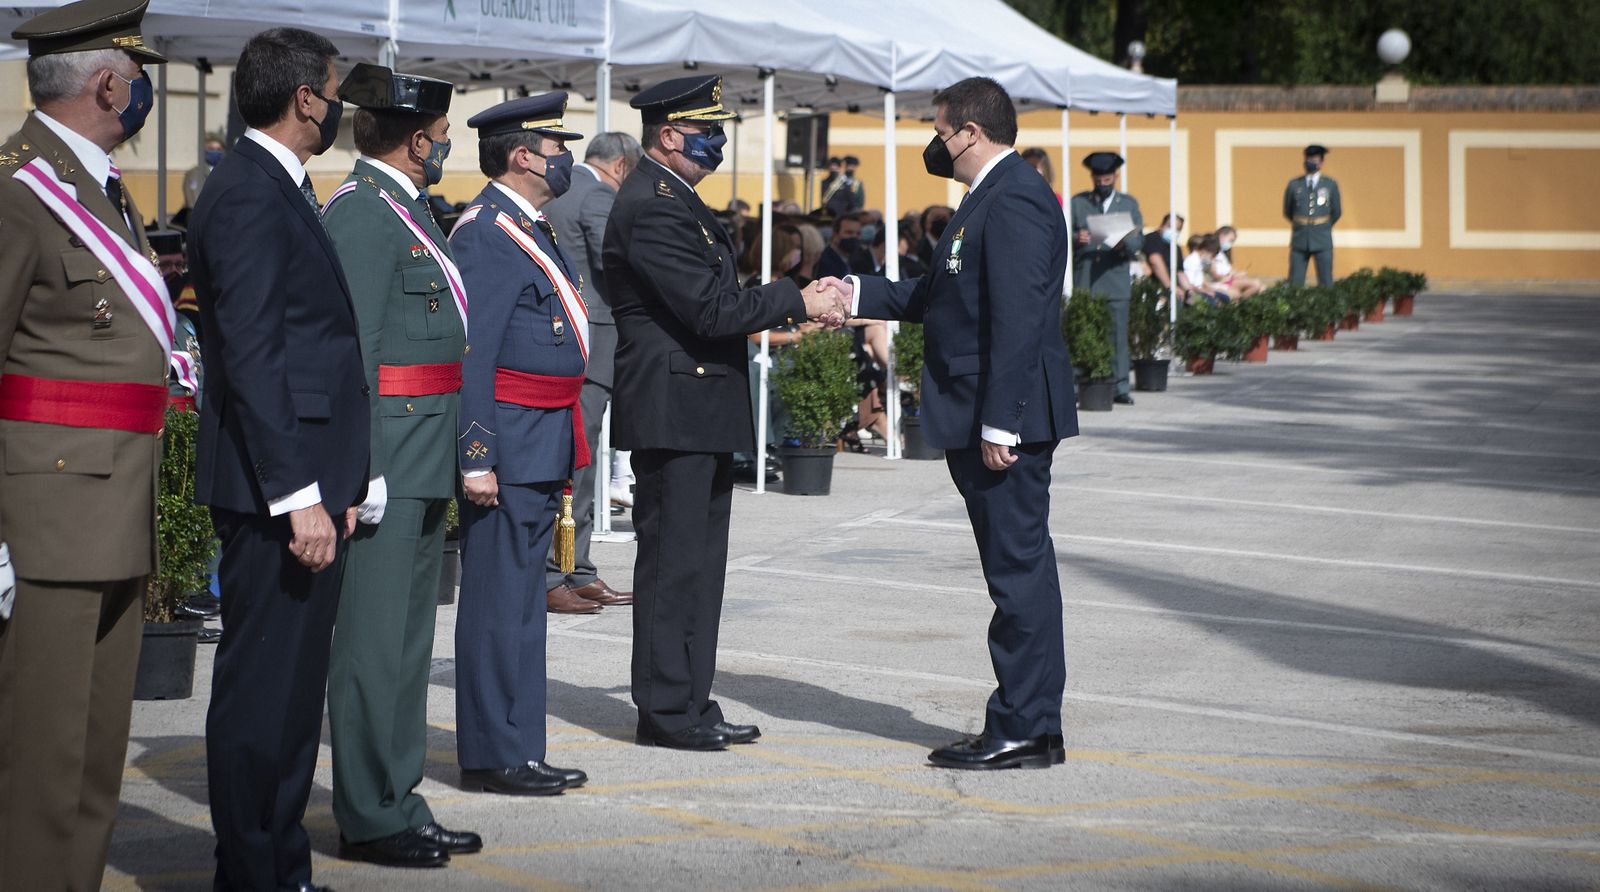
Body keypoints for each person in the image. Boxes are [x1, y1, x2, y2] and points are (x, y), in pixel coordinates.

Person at [836, 76, 1075, 770]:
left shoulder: (1017, 200)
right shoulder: (988, 198)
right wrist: (854, 291)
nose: (936, 146)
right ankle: (1034, 722)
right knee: (1017, 570)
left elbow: (1022, 318)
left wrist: (1003, 422)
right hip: (985, 414)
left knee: (1017, 574)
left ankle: (1025, 726)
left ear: (969, 132)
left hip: (1002, 421)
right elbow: (941, 297)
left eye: (940, 133)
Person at [605, 74, 847, 752]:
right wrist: (798, 298)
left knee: (702, 569)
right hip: (673, 406)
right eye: (705, 132)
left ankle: (691, 700)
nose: (714, 143)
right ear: (671, 135)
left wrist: (797, 299)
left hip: (698, 405)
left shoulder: (675, 200)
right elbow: (710, 309)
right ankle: (663, 710)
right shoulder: (651, 204)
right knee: (672, 566)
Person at [189, 26, 372, 892]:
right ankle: (252, 870)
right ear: (308, 99)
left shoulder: (274, 184)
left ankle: (280, 863)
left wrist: (334, 482)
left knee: (296, 697)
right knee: (264, 694)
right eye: (333, 90)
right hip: (275, 488)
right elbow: (258, 355)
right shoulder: (249, 191)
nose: (336, 105)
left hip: (305, 479)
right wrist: (298, 493)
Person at [0, 1, 167, 886]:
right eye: (138, 79)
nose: (139, 93)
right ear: (110, 82)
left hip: (113, 502)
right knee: (43, 761)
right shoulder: (19, 188)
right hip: (45, 518)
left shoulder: (97, 185)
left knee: (97, 756)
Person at [318, 62, 481, 869]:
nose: (446, 146)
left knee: (410, 645)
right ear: (418, 140)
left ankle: (398, 798)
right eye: (445, 136)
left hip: (426, 453)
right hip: (391, 454)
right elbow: (355, 354)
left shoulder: (405, 208)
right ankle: (369, 814)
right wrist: (366, 468)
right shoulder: (363, 215)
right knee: (374, 646)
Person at [448, 92, 592, 796]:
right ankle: (492, 752)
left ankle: (520, 746)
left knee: (524, 605)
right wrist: (477, 456)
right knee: (498, 604)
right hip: (508, 446)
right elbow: (471, 354)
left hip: (541, 441)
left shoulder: (527, 225)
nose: (565, 156)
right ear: (522, 155)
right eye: (556, 146)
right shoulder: (486, 231)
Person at [542, 131, 643, 615]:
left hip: (562, 342)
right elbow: (620, 264)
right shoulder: (599, 196)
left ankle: (572, 568)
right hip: (591, 343)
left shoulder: (561, 190)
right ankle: (565, 570)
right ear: (621, 166)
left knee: (572, 463)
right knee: (578, 464)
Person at [1069, 151, 1143, 405]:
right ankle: (1078, 383)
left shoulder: (1128, 203)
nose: (1103, 182)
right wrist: (1075, 239)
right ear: (1092, 177)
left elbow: (1138, 239)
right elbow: (1061, 235)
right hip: (1086, 277)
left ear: (1115, 176)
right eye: (1099, 178)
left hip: (1115, 277)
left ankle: (1121, 386)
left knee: (1117, 335)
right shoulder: (1078, 202)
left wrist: (1125, 243)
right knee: (1083, 331)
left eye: (1108, 178)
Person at [1283, 143, 1340, 286]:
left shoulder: (1330, 185)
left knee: (1326, 280)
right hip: (1300, 237)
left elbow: (1337, 211)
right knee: (1295, 281)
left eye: (1314, 160)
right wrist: (1302, 223)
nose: (1310, 163)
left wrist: (1323, 225)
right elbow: (1288, 211)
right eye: (1308, 160)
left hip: (1322, 238)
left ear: (1321, 163)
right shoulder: (1294, 184)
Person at [1144, 213, 1191, 301]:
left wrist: (1189, 291)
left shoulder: (1176, 248)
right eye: (1170, 226)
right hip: (1154, 288)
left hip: (1173, 290)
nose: (1173, 231)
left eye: (1178, 229)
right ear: (1162, 225)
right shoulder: (1152, 238)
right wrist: (1170, 287)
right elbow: (1155, 260)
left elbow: (1180, 272)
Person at [1210, 225, 1262, 299]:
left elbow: (1229, 271)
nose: (1230, 244)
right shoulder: (1213, 253)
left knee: (1262, 288)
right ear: (1221, 236)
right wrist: (1233, 275)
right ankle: (1240, 305)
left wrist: (1238, 273)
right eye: (1230, 240)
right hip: (1222, 283)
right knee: (1255, 284)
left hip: (1229, 281)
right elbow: (1216, 274)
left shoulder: (1222, 254)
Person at [183, 132, 225, 208]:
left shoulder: (225, 172)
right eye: (211, 149)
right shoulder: (194, 173)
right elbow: (193, 200)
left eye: (219, 149)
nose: (215, 152)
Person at [816, 210, 859, 279]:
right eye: (849, 232)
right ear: (835, 234)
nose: (854, 237)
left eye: (858, 234)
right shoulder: (825, 262)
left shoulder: (855, 259)